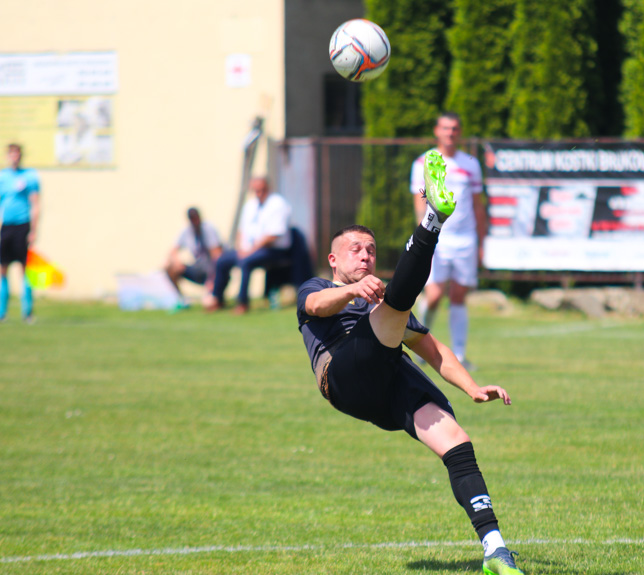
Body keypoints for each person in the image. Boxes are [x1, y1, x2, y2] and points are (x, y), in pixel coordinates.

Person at [296, 151, 523, 575]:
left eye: (370, 250)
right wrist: (353, 292)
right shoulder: (320, 286)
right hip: (344, 374)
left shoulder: (382, 302)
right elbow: (316, 305)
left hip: (388, 378)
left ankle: (496, 550)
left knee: (457, 442)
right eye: (354, 249)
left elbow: (433, 349)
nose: (364, 255)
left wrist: (471, 387)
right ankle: (432, 221)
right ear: (333, 260)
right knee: (395, 308)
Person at [410, 112, 486, 370]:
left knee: (458, 295)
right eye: (445, 128)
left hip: (465, 238)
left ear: (460, 132)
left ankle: (461, 355)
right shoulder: (424, 161)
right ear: (436, 131)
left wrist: (482, 242)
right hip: (437, 238)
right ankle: (419, 343)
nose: (450, 133)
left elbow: (477, 205)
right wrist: (424, 237)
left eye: (454, 128)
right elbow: (419, 202)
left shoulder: (470, 164)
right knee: (433, 295)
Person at [205, 176, 291, 314]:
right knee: (221, 260)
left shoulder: (278, 204)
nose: (259, 193)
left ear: (267, 189)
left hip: (273, 250)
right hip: (249, 250)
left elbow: (272, 236)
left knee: (246, 262)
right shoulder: (250, 205)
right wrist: (240, 248)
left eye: (261, 190)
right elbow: (241, 230)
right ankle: (217, 299)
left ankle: (242, 302)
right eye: (256, 190)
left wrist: (250, 251)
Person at [0, 143, 41, 322]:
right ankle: (2, 312)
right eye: (11, 154)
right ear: (8, 156)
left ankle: (28, 312)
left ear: (21, 155)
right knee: (3, 268)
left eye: (17, 153)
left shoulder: (30, 176)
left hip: (22, 226)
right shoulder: (3, 177)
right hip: (6, 227)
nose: (14, 157)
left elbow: (35, 204)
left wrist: (33, 230)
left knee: (25, 269)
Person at [165, 207, 223, 303]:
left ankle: (216, 296)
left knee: (212, 304)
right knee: (170, 267)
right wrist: (177, 261)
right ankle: (182, 300)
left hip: (213, 270)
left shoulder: (209, 229)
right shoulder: (186, 232)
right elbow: (173, 251)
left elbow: (216, 256)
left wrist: (212, 279)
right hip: (198, 269)